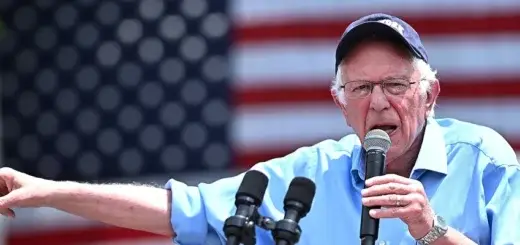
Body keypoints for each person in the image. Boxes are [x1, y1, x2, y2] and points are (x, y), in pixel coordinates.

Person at [0, 13, 519, 245]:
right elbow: (180, 211)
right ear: (341, 106)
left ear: (430, 94)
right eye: (360, 89)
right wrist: (50, 191)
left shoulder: (486, 161)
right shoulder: (310, 175)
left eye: (394, 85)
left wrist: (430, 229)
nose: (378, 101)